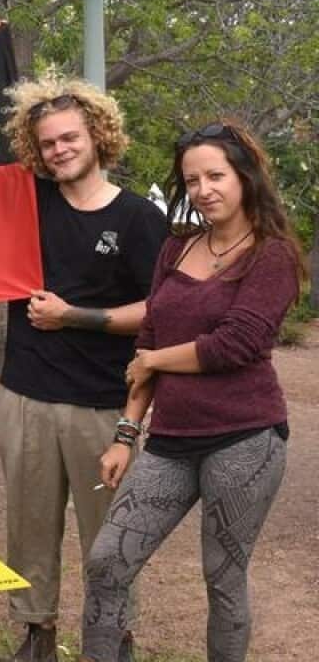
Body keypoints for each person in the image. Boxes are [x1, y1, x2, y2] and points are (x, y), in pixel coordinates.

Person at [79, 122, 303, 662]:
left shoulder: (273, 255)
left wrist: (152, 358)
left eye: (216, 175)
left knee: (223, 578)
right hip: (170, 442)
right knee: (107, 561)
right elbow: (150, 333)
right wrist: (125, 435)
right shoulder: (177, 249)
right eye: (192, 179)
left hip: (244, 439)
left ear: (246, 176)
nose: (205, 189)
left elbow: (236, 344)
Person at [0, 53, 168, 661]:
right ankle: (35, 631)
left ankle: (112, 636)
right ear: (35, 151)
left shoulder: (140, 218)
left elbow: (160, 308)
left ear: (97, 134)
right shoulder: (27, 202)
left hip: (101, 404)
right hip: (27, 396)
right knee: (30, 528)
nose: (61, 150)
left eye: (71, 137)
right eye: (48, 143)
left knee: (109, 537)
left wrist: (74, 316)